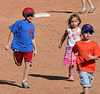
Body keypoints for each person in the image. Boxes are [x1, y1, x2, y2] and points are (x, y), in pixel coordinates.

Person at [5, 7, 37, 88]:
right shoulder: (19, 23)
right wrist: (8, 44)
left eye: (31, 15)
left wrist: (35, 48)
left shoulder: (33, 26)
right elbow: (12, 32)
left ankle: (24, 81)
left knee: (28, 63)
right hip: (18, 47)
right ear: (24, 16)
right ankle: (16, 56)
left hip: (28, 48)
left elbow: (32, 38)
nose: (30, 16)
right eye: (28, 15)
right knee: (18, 63)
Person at [71, 24, 100, 94]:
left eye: (90, 32)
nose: (88, 34)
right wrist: (72, 58)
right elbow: (73, 50)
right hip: (81, 67)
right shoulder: (78, 43)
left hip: (91, 68)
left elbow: (97, 56)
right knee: (86, 85)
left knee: (88, 84)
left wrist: (92, 57)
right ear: (82, 33)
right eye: (86, 32)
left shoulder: (94, 44)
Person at [58, 14, 81, 81]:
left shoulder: (79, 30)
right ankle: (71, 75)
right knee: (71, 63)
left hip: (78, 49)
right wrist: (61, 43)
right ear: (69, 22)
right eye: (72, 21)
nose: (74, 23)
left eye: (75, 21)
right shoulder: (68, 30)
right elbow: (64, 37)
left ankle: (81, 74)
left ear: (79, 22)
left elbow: (82, 38)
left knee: (79, 62)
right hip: (70, 49)